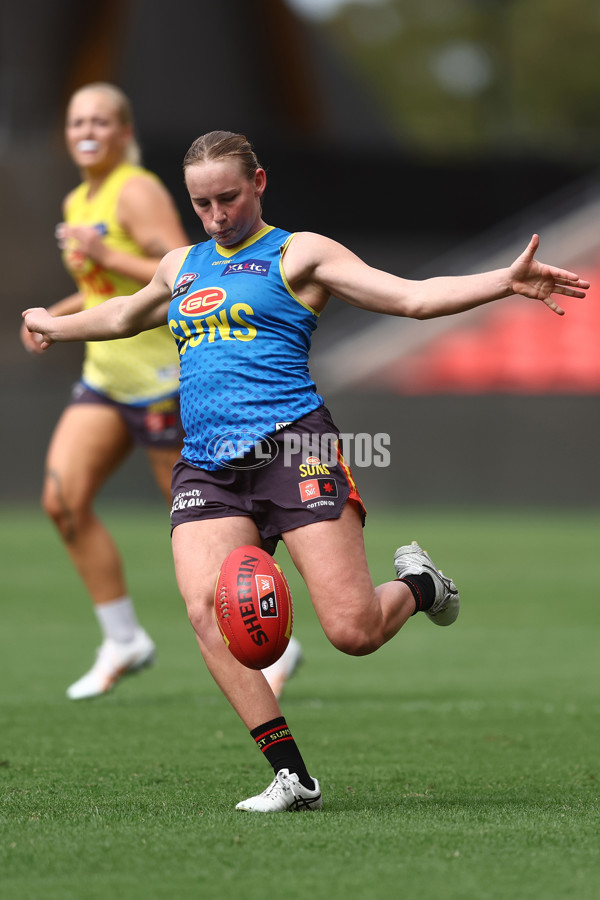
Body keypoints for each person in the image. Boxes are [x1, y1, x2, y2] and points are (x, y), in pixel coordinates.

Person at [23, 130, 589, 809]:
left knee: (353, 632)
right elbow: (124, 313)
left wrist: (503, 281)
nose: (217, 216)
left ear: (259, 183)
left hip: (296, 451)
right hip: (207, 465)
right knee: (207, 613)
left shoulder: (300, 254)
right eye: (202, 203)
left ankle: (419, 585)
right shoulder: (182, 265)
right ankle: (292, 775)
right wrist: (55, 325)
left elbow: (408, 298)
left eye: (228, 198)